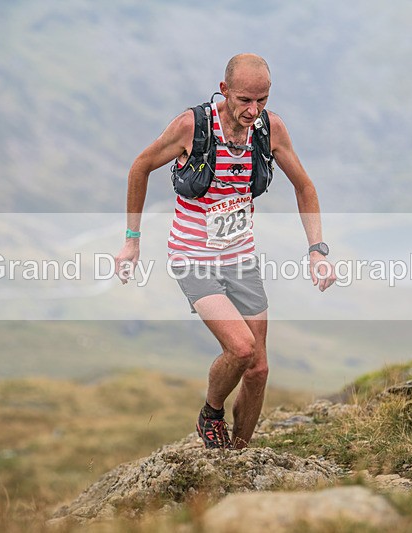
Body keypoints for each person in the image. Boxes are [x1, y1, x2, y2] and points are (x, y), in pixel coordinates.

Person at [114, 53, 336, 449]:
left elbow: (304, 185)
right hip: (193, 258)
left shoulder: (270, 130)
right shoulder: (192, 126)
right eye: (245, 100)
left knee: (258, 369)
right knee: (241, 347)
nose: (253, 110)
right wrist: (132, 240)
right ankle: (211, 413)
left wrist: (316, 250)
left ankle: (239, 454)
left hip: (240, 258)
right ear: (224, 90)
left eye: (262, 100)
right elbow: (140, 166)